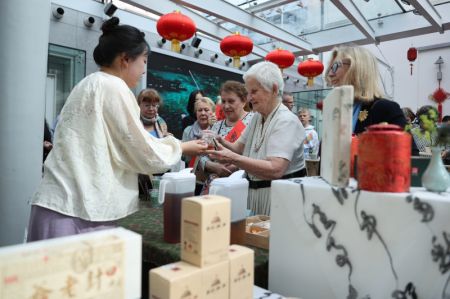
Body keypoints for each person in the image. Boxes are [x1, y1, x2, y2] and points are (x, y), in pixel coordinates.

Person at [27, 17, 207, 242]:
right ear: (125, 59)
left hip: (63, 205)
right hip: (78, 210)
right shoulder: (114, 86)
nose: (144, 70)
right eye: (143, 60)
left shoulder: (89, 83)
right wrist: (182, 146)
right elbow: (141, 150)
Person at [208, 61, 306, 215]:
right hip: (255, 195)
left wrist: (232, 158)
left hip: (280, 201)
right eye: (248, 92)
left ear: (273, 89)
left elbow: (275, 169)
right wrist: (219, 140)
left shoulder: (286, 120)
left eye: (254, 91)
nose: (249, 97)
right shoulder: (257, 117)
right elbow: (239, 148)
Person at [325, 45, 419, 155]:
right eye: (330, 68)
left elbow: (410, 157)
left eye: (335, 66)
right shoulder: (336, 111)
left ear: (357, 69)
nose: (330, 74)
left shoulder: (384, 109)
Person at [200, 81, 254, 184]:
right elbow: (202, 155)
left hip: (240, 184)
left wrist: (235, 166)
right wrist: (213, 166)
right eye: (223, 101)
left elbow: (256, 154)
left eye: (231, 101)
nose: (226, 106)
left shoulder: (253, 121)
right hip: (214, 185)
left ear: (243, 101)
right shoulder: (216, 126)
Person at [182, 97, 216, 194]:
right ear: (196, 113)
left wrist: (213, 127)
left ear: (213, 112)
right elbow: (184, 157)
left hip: (211, 179)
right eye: (199, 110)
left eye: (206, 110)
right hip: (192, 177)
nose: (203, 113)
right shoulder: (188, 131)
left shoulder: (217, 129)